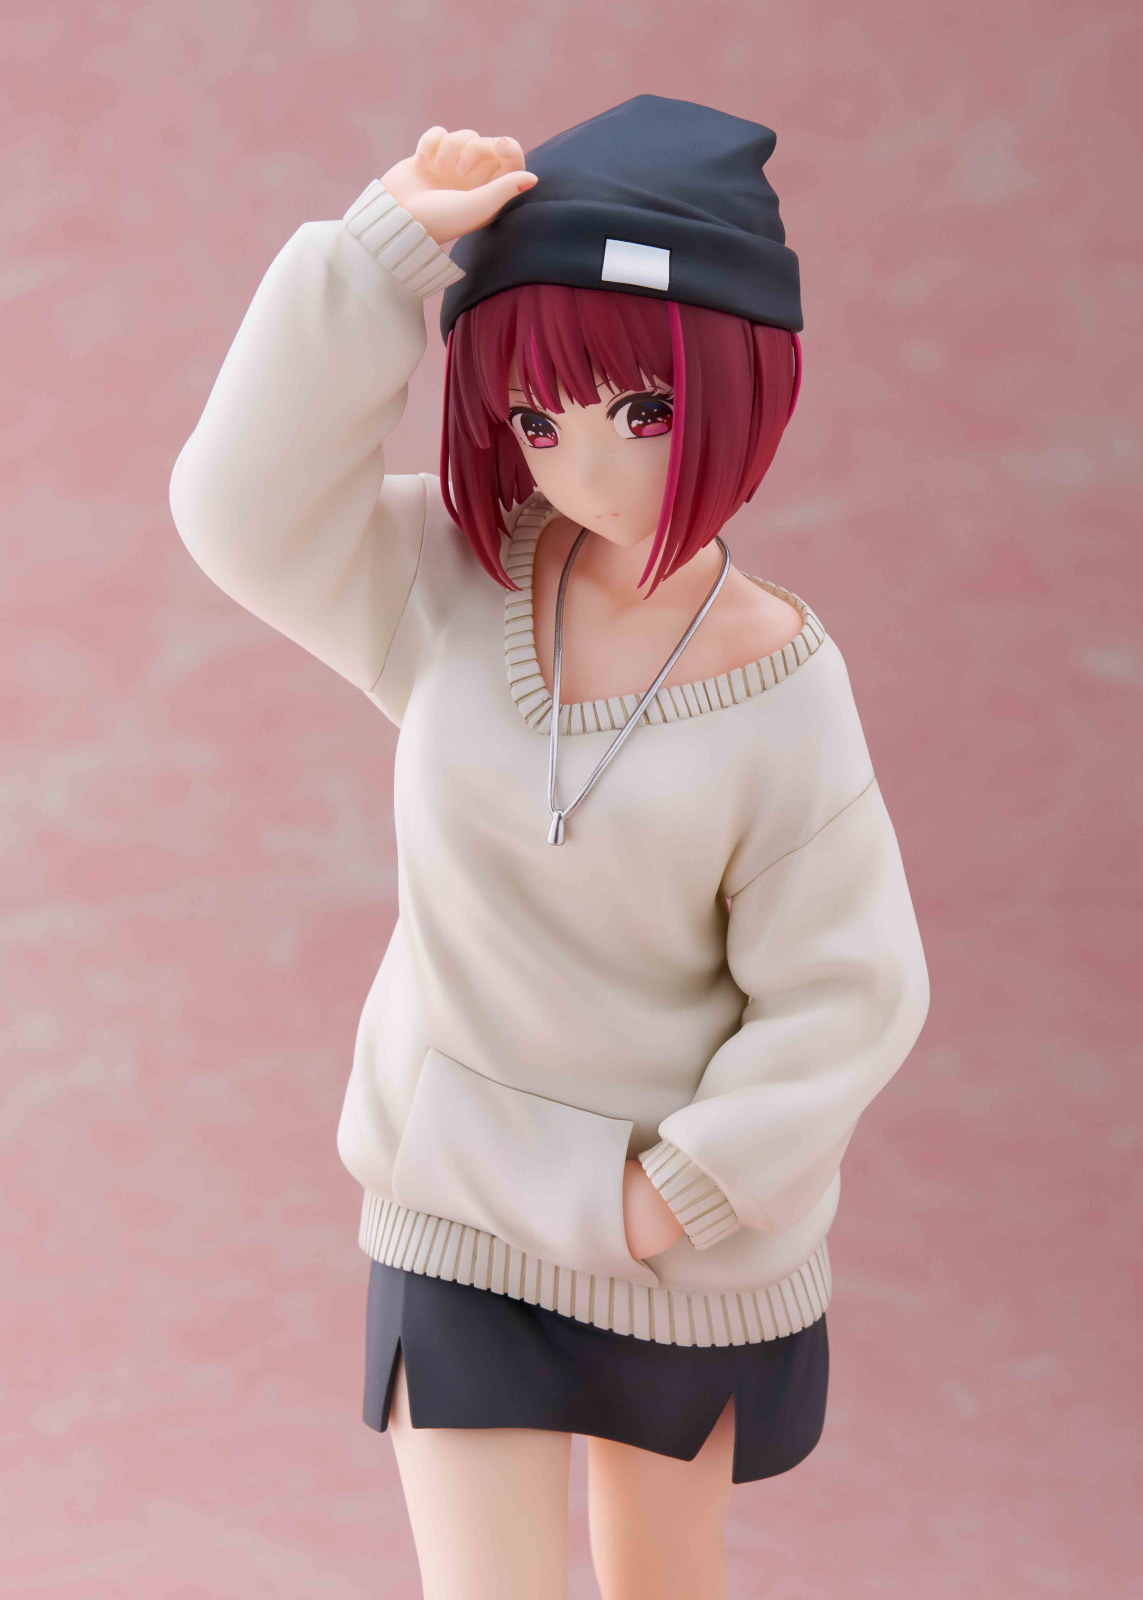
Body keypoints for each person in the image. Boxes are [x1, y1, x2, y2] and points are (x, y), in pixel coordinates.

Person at [171, 96, 930, 1600]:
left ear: (748, 383)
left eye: (642, 410)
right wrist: (381, 250)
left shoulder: (787, 688)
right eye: (536, 419)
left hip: (683, 1254)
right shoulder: (447, 585)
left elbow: (851, 993)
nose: (586, 469)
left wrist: (682, 1193)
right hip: (457, 1209)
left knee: (661, 1584)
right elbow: (236, 510)